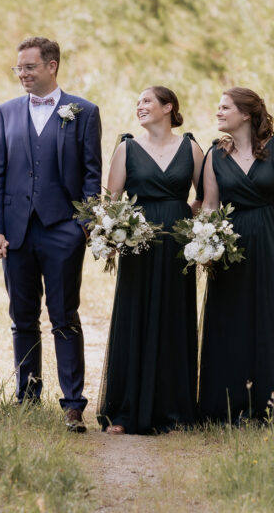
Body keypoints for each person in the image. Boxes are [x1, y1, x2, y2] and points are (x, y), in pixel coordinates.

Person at [0, 37, 102, 432]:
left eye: (29, 67)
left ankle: (72, 405)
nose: (23, 74)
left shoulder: (82, 111)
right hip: (15, 232)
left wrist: (82, 227)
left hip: (62, 230)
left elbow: (91, 175)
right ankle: (27, 398)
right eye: (19, 68)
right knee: (22, 317)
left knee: (64, 316)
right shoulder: (5, 113)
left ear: (52, 66)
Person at [198, 87, 274, 422]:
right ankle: (230, 405)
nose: (218, 112)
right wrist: (206, 246)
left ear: (246, 114)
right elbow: (210, 205)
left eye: (225, 107)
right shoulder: (215, 154)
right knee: (231, 318)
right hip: (232, 246)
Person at [96, 86, 204, 434]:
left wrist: (197, 235)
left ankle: (174, 411)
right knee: (135, 316)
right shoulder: (126, 148)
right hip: (137, 244)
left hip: (177, 245)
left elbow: (204, 199)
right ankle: (126, 411)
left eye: (147, 101)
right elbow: (111, 201)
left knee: (174, 319)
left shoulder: (191, 148)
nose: (139, 106)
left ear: (168, 107)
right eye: (138, 101)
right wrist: (113, 235)